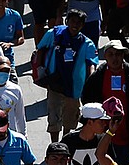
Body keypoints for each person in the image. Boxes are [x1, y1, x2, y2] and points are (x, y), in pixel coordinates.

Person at [81, 40, 129, 165]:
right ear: (105, 56)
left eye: (118, 54)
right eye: (111, 54)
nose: (114, 58)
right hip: (103, 134)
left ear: (123, 56)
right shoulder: (97, 77)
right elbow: (86, 101)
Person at [36, 11, 98, 141]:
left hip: (74, 87)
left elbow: (91, 64)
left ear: (83, 25)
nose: (75, 25)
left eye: (79, 23)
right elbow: (41, 49)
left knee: (70, 118)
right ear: (67, 21)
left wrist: (91, 81)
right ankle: (54, 144)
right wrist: (40, 69)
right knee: (54, 116)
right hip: (54, 84)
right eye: (73, 21)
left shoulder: (87, 44)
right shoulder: (53, 34)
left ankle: (65, 143)